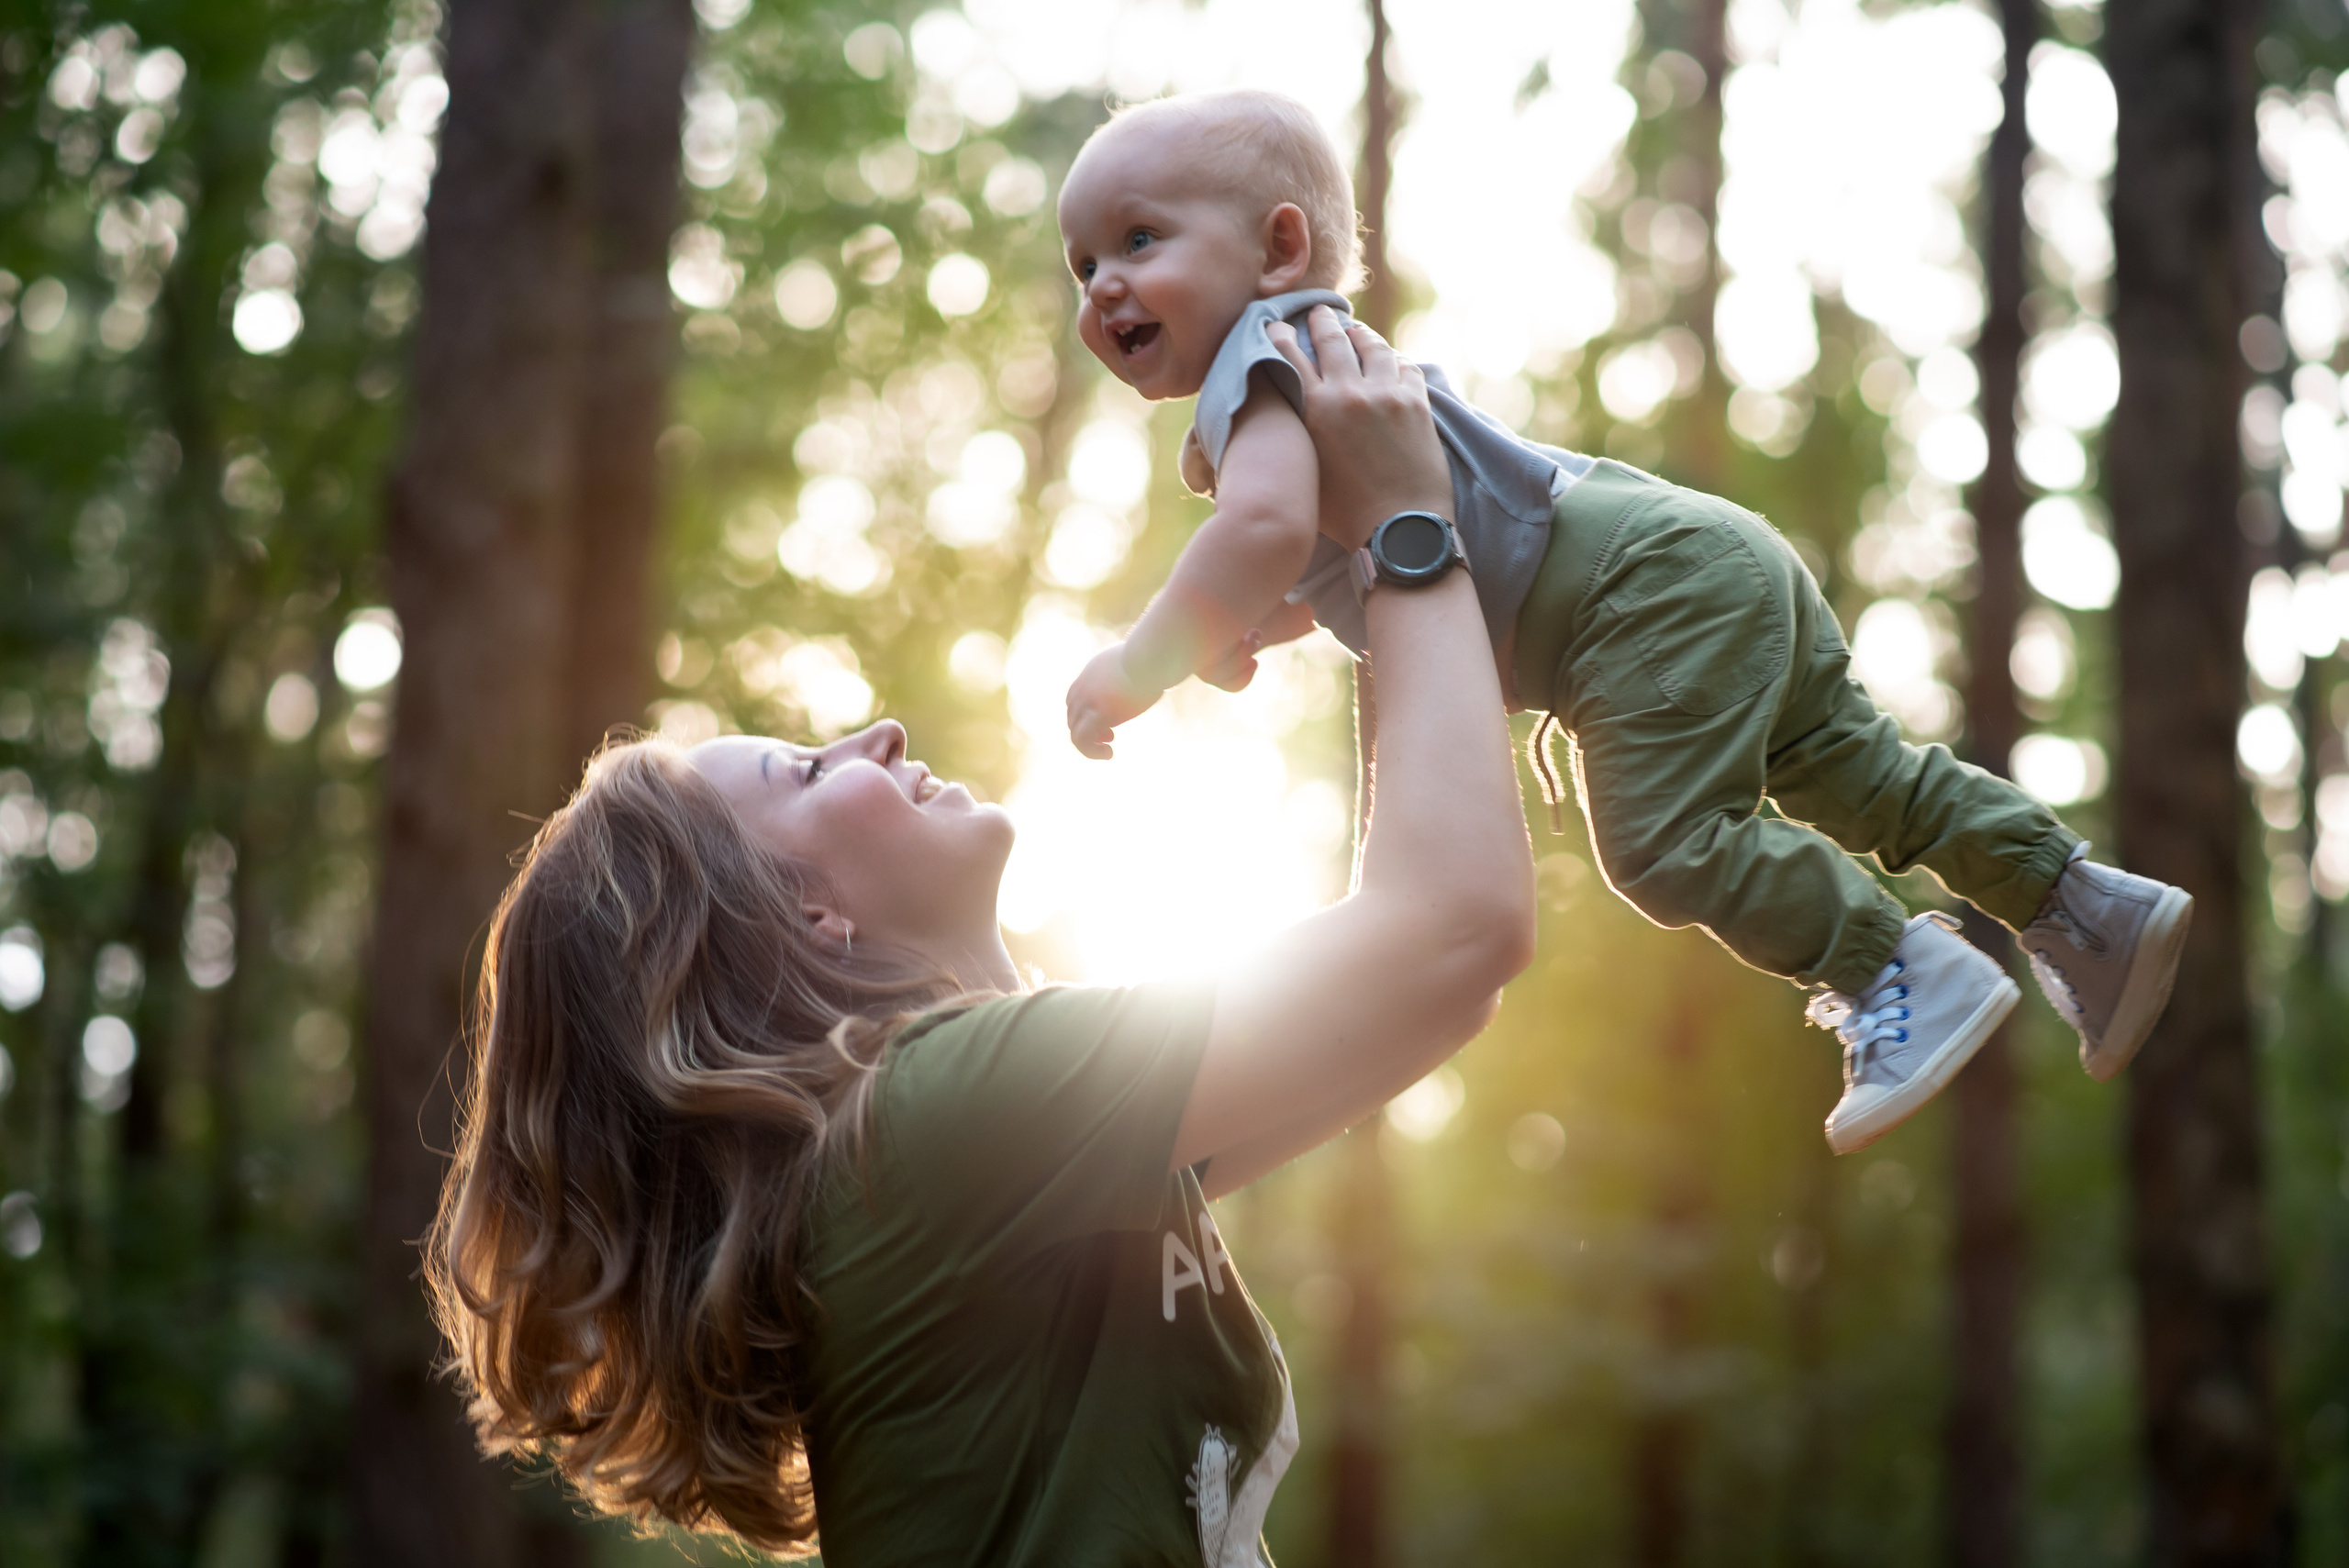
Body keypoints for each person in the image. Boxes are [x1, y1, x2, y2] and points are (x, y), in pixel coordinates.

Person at [426, 312, 1536, 1565]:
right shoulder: (934, 1119)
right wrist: (1405, 529)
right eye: (804, 767)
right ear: (798, 916)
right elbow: (1453, 932)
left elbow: (1424, 979)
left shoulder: (960, 1146)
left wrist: (1365, 574)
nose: (879, 735)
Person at [1053, 88, 2193, 1155]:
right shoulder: (1322, 366)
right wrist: (1251, 628)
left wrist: (1140, 662)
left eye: (1141, 240)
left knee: (1660, 843)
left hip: (1628, 603)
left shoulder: (1260, 365)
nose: (1102, 284)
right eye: (1085, 260)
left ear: (1278, 249)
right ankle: (2082, 906)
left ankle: (1891, 965)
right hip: (1697, 561)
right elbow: (1338, 549)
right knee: (1859, 774)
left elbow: (1258, 535)